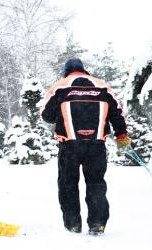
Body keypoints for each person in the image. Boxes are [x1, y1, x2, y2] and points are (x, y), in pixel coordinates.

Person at [40, 57, 131, 236]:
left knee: (68, 184)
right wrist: (121, 135)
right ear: (84, 70)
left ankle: (73, 224)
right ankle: (97, 224)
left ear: (66, 71)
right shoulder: (102, 86)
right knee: (96, 184)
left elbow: (46, 116)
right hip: (96, 145)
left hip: (69, 145)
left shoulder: (59, 86)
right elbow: (117, 113)